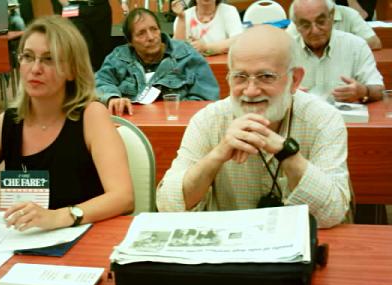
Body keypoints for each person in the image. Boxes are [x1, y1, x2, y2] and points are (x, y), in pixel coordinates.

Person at [0, 15, 134, 234]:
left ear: (71, 70)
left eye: (49, 59)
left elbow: (123, 197)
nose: (35, 68)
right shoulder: (8, 122)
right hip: (24, 247)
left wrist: (60, 216)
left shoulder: (91, 115)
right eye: (28, 57)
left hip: (83, 242)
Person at [156, 25, 351, 229]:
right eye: (240, 77)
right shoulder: (208, 121)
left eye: (266, 77)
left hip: (297, 245)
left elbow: (332, 213)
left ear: (295, 79)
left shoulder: (324, 119)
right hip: (227, 248)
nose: (250, 91)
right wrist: (217, 155)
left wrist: (287, 154)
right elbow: (168, 207)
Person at [95, 8, 219, 116]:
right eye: (141, 33)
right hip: (133, 128)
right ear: (130, 42)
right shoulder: (119, 57)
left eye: (154, 29)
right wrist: (112, 97)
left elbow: (207, 99)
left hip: (178, 126)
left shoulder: (186, 55)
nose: (150, 37)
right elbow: (99, 82)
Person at [289, 0, 384, 103]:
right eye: (306, 25)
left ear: (332, 16)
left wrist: (364, 91)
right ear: (296, 25)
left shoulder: (356, 46)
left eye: (321, 22)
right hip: (300, 116)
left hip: (347, 117)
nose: (315, 30)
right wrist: (285, 92)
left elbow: (378, 90)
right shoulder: (286, 50)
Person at [55, 0, 129, 72]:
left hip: (101, 6)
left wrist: (123, 2)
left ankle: (101, 79)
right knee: (82, 46)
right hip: (74, 6)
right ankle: (83, 80)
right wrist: (67, 6)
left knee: (102, 49)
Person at [287, 0, 382, 49]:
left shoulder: (349, 14)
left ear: (332, 13)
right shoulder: (303, 16)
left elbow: (375, 43)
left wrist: (336, 49)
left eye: (321, 21)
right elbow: (285, 46)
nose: (315, 30)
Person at [172, 0, 242, 56]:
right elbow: (178, 49)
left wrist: (205, 47)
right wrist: (181, 18)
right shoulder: (184, 15)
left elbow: (237, 41)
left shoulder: (229, 11)